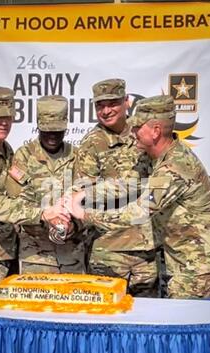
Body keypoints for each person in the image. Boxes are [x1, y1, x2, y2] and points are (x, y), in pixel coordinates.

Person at [66, 94, 210, 300]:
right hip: (200, 258)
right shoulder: (156, 158)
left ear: (156, 131)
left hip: (202, 264)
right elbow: (127, 185)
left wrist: (85, 215)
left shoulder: (175, 167)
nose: (132, 133)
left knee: (185, 326)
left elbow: (137, 212)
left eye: (137, 127)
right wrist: (85, 193)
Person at [0, 87, 68, 290]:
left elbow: (20, 192)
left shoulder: (6, 150)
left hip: (8, 252)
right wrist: (43, 213)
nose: (4, 123)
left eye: (8, 117)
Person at [75, 78, 159, 297]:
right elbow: (83, 193)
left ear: (126, 102)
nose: (106, 110)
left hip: (145, 248)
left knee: (146, 318)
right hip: (108, 248)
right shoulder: (91, 143)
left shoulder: (145, 133)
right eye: (100, 105)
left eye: (112, 103)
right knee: (106, 319)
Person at [6, 95, 86, 274]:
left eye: (58, 131)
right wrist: (44, 217)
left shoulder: (78, 157)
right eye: (47, 130)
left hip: (72, 256)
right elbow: (15, 204)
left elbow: (88, 199)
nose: (52, 136)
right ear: (38, 125)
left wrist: (75, 225)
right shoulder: (24, 157)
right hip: (36, 256)